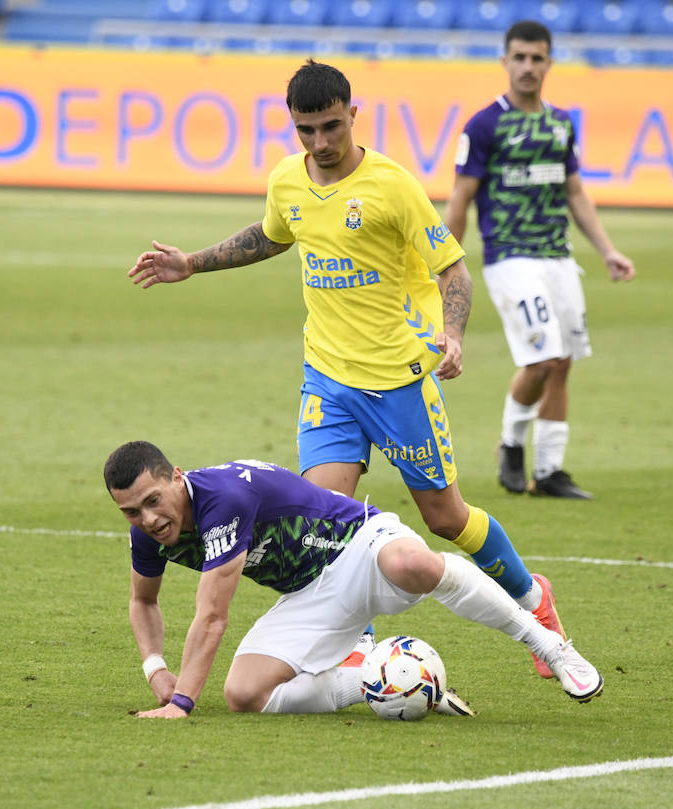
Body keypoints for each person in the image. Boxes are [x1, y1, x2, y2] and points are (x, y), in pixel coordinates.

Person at [129, 59, 568, 679]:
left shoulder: (393, 186)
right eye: (306, 131)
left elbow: (453, 270)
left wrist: (453, 332)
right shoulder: (288, 179)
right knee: (329, 522)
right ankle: (354, 650)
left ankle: (533, 602)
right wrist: (193, 263)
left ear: (353, 114)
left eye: (331, 127)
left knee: (445, 518)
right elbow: (274, 234)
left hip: (397, 380)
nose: (320, 143)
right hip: (327, 381)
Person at [103, 440, 604, 718]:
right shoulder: (148, 533)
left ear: (176, 476)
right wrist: (155, 670)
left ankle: (551, 646)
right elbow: (142, 601)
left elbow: (212, 617)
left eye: (153, 501)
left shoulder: (223, 500)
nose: (148, 519)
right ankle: (382, 683)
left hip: (359, 542)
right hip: (310, 593)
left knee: (417, 564)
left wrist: (183, 703)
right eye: (131, 512)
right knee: (245, 695)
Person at [444, 20, 636, 501]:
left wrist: (607, 249)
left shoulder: (560, 122)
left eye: (537, 58)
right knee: (543, 358)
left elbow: (574, 191)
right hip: (510, 258)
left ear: (550, 63)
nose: (528, 67)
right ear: (504, 61)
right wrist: (446, 259)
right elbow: (460, 199)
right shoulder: (484, 125)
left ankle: (549, 471)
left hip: (558, 257)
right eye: (520, 57)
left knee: (564, 361)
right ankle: (511, 444)